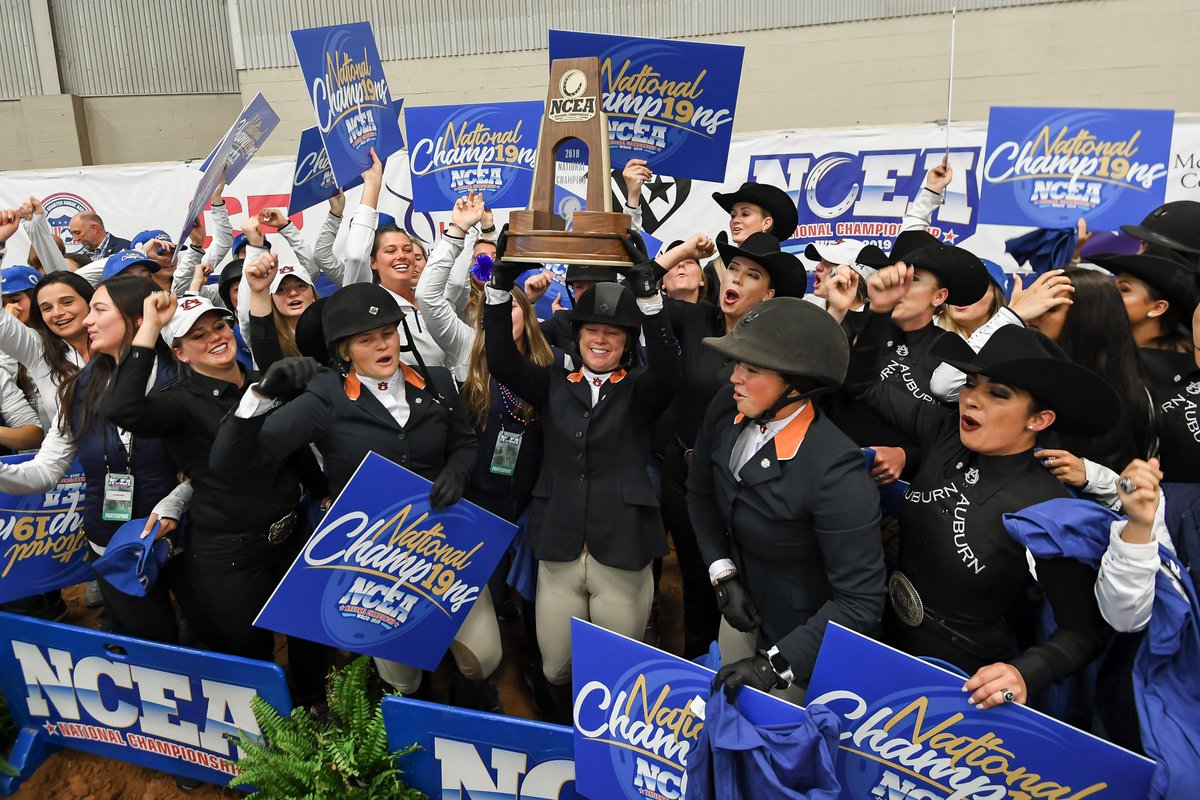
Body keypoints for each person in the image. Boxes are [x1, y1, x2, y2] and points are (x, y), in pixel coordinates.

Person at [846, 262, 1116, 709]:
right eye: (971, 383)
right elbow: (861, 384)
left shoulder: (1046, 507)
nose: (971, 398)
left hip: (962, 687)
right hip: (881, 640)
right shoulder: (945, 431)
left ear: (1039, 419)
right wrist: (877, 313)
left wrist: (1024, 672)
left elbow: (1083, 632)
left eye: (998, 393)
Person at [208, 282, 496, 701]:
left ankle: (470, 706)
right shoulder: (325, 398)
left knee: (483, 659)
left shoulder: (437, 382)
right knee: (404, 678)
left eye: (387, 333)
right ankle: (412, 711)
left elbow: (466, 445)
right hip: (376, 557)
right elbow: (229, 462)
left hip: (445, 542)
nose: (382, 345)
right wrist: (261, 394)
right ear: (345, 351)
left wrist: (456, 471)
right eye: (366, 339)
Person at [103, 292, 329, 704]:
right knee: (250, 652)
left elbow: (295, 448)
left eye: (219, 326)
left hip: (293, 535)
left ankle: (315, 708)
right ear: (180, 353)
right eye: (198, 335)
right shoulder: (177, 403)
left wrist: (322, 490)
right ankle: (273, 730)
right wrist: (149, 325)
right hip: (230, 553)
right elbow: (121, 407)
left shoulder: (266, 380)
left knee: (310, 634)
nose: (215, 337)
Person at [483, 253, 680, 718]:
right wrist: (498, 290)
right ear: (579, 334)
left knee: (618, 671)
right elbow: (501, 359)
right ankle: (568, 731)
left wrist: (650, 298)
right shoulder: (552, 382)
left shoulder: (640, 389)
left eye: (613, 332)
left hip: (623, 547)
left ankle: (609, 745)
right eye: (592, 329)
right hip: (559, 545)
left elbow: (670, 369)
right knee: (555, 667)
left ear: (626, 342)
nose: (601, 339)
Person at [688, 297, 886, 703]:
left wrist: (772, 665)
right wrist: (723, 573)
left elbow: (861, 602)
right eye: (738, 365)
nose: (734, 377)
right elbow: (700, 491)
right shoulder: (726, 407)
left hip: (802, 642)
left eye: (752, 369)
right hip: (742, 611)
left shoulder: (836, 471)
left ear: (797, 385)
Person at [0, 277, 187, 643]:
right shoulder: (77, 388)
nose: (86, 320)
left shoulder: (181, 377)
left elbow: (209, 465)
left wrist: (175, 504)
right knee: (147, 643)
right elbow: (44, 471)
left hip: (184, 536)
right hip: (112, 540)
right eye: (45, 308)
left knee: (212, 637)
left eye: (98, 310)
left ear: (138, 318)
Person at [659, 232, 804, 659]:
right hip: (681, 474)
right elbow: (636, 288)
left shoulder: (779, 347)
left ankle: (738, 672)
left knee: (736, 586)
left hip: (739, 485)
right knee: (694, 578)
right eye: (733, 268)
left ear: (769, 294)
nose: (735, 278)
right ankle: (695, 671)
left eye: (752, 274)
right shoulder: (697, 318)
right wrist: (685, 252)